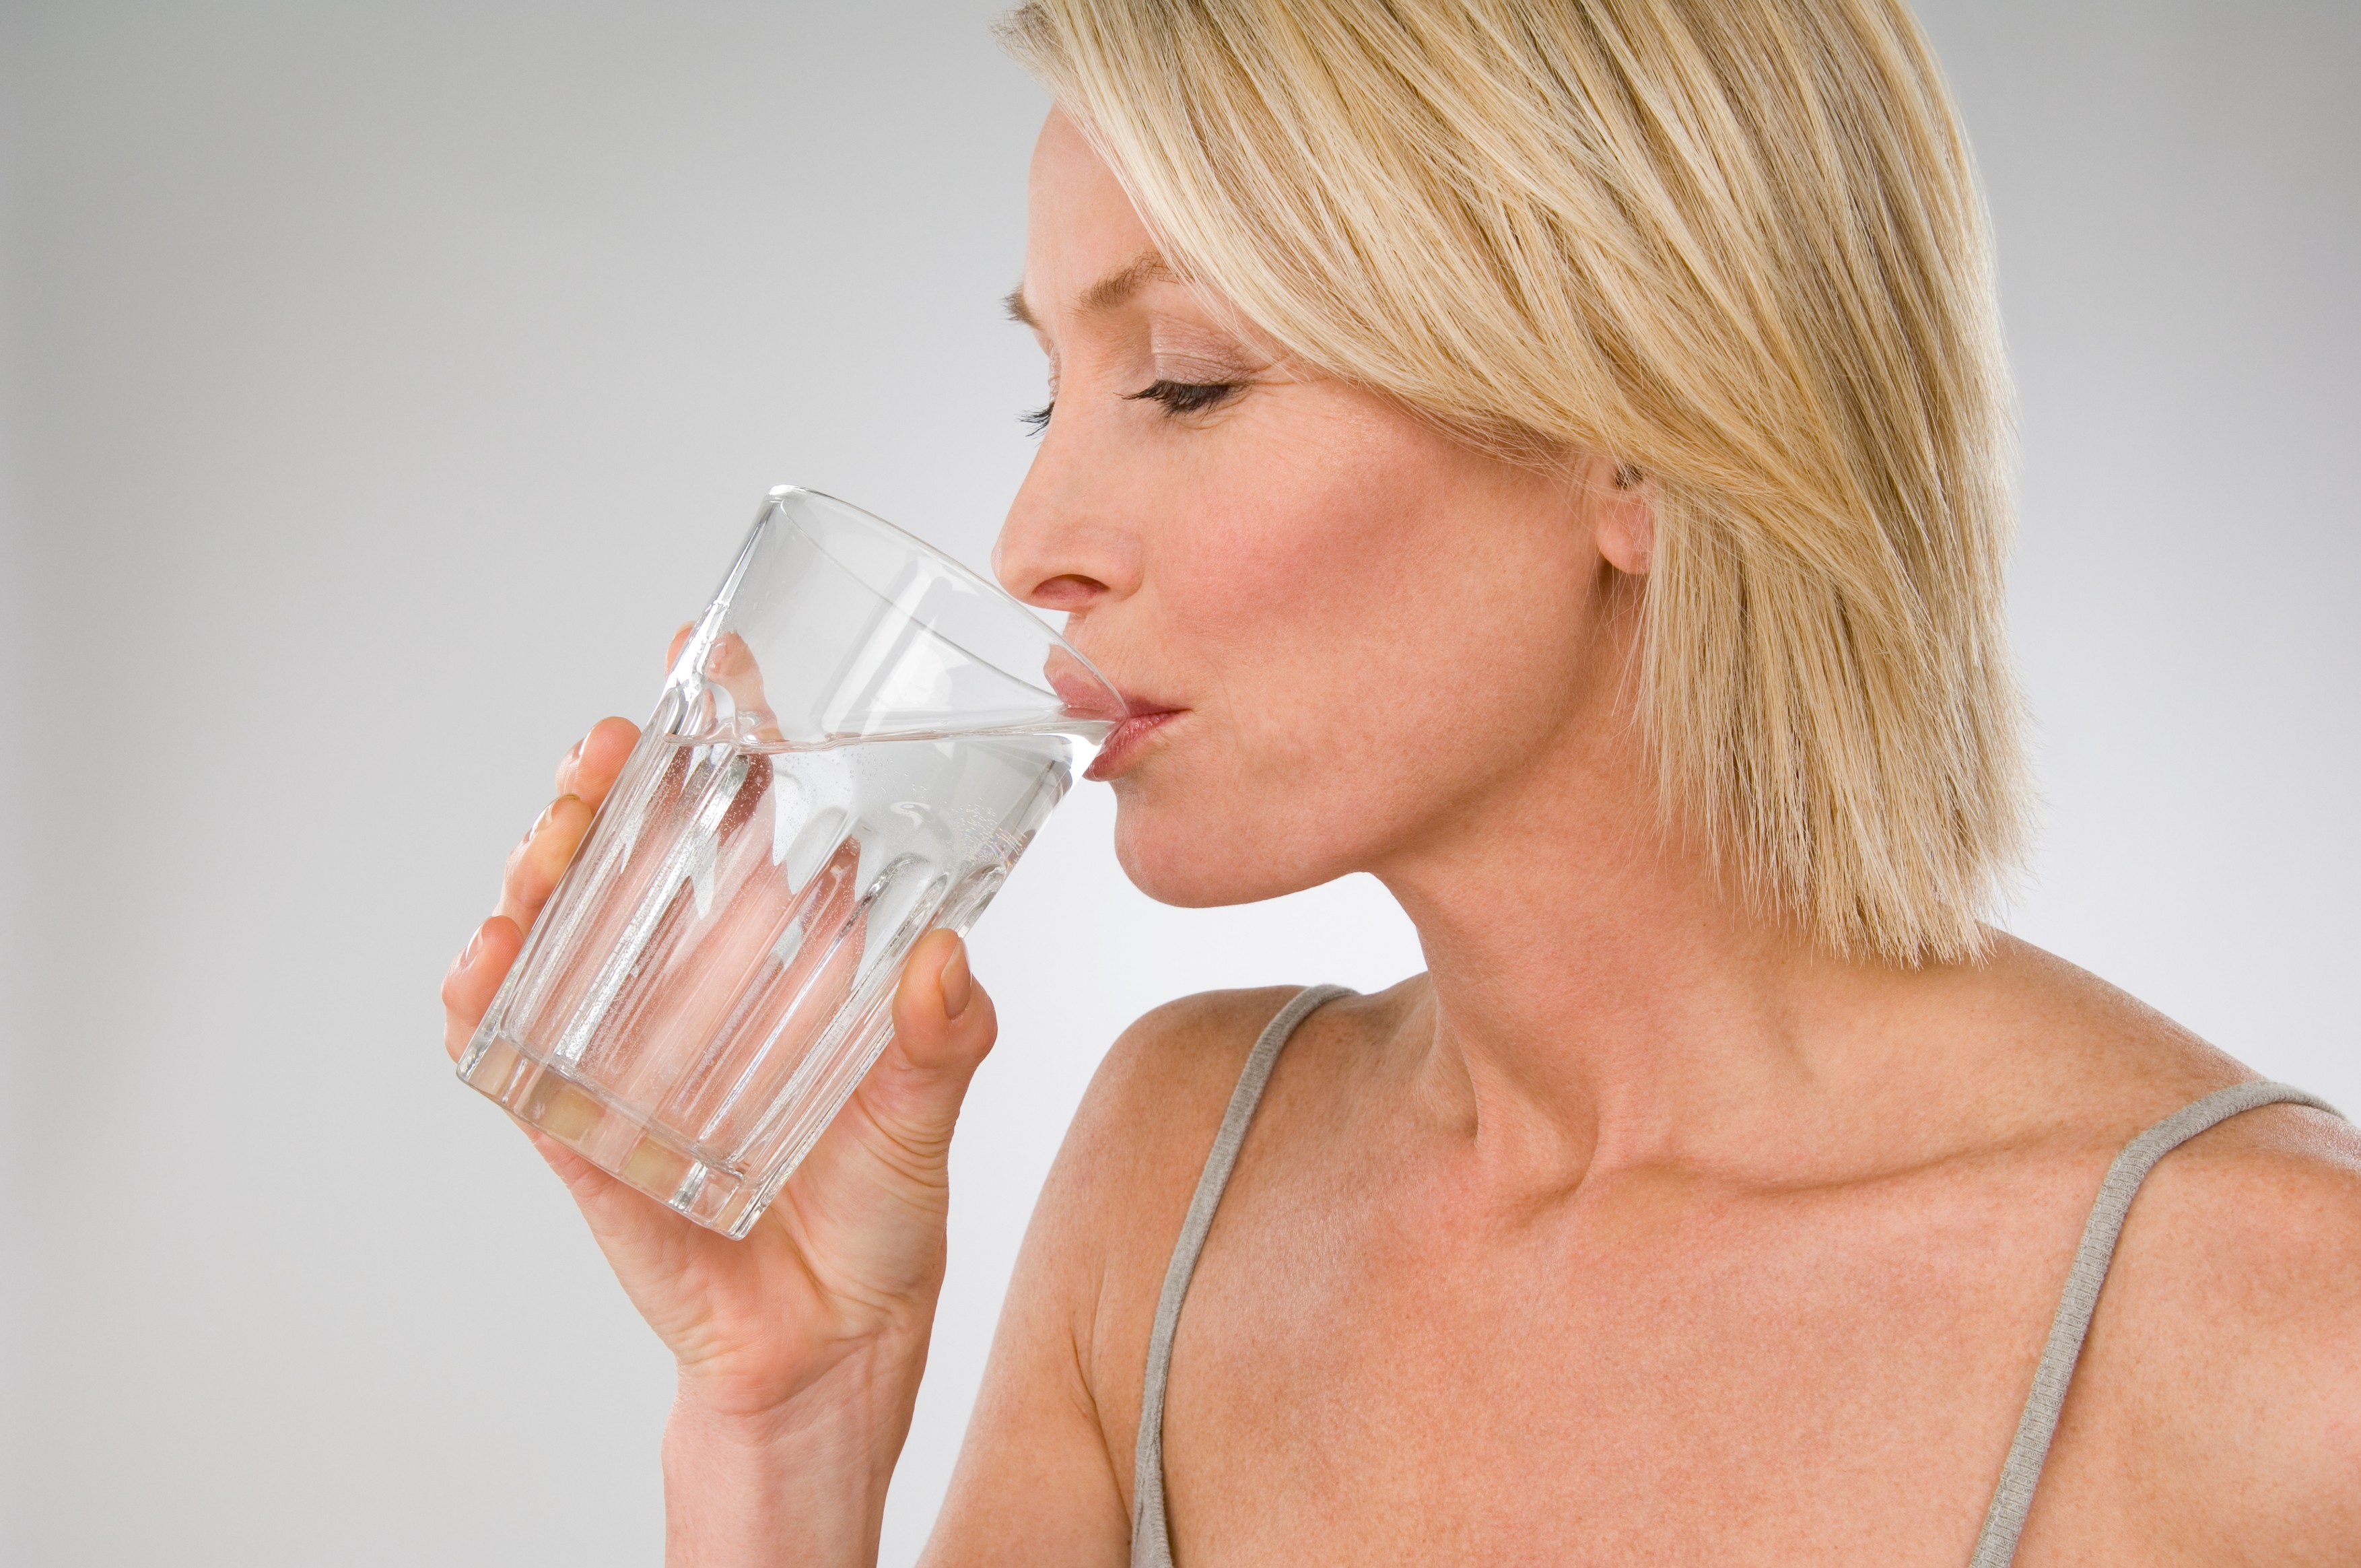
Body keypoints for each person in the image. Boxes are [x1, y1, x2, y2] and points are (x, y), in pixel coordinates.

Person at [440, 1, 2361, 1561]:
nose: (1032, 540)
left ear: (1639, 433)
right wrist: (788, 1429)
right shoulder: (1181, 1166)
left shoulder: (2284, 1340)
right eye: (1051, 390)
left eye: (1183, 378)